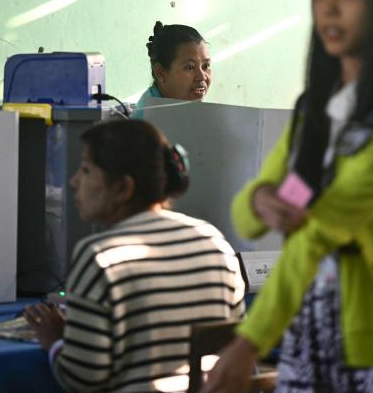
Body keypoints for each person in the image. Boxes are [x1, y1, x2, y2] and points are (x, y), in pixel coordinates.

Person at [201, 0, 373, 392]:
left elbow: (318, 233)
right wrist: (264, 198)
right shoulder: (313, 111)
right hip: (310, 341)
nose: (330, 9)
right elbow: (249, 218)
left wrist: (248, 344)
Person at [25, 119, 245, 392]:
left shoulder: (100, 256)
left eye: (86, 169)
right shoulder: (215, 241)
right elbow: (237, 347)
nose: (73, 181)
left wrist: (54, 339)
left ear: (123, 188)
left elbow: (82, 379)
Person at [135, 21, 212, 114]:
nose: (202, 76)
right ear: (161, 73)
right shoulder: (149, 122)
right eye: (190, 67)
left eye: (205, 66)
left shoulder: (178, 108)